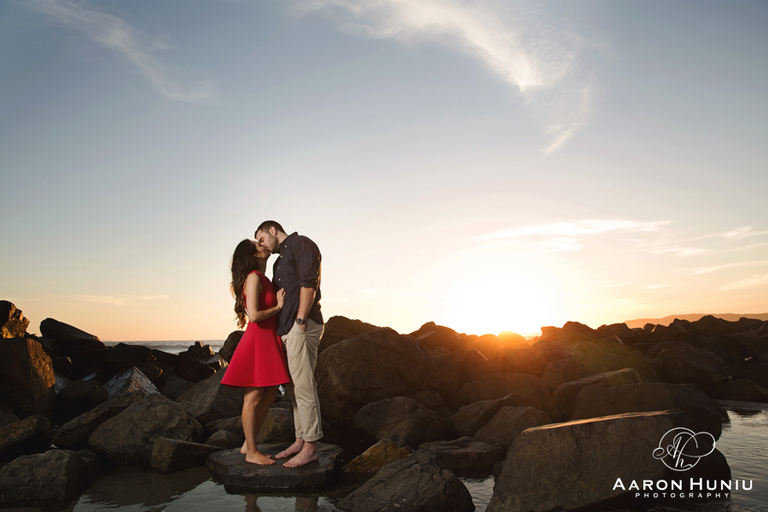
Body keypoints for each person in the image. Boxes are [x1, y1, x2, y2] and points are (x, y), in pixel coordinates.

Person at [254, 220, 324, 468]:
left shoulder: (302, 244)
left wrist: (301, 321)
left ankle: (311, 446)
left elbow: (309, 283)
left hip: (301, 325)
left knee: (304, 386)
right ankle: (299, 439)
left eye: (261, 239)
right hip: (286, 328)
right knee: (293, 388)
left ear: (272, 230)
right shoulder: (277, 261)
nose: (262, 245)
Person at [221, 239, 290, 465]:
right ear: (255, 255)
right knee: (252, 397)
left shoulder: (263, 278)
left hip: (268, 339)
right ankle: (251, 452)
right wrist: (278, 308)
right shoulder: (252, 277)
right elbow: (254, 316)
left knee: (269, 395)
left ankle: (247, 444)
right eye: (258, 244)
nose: (263, 245)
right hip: (257, 339)